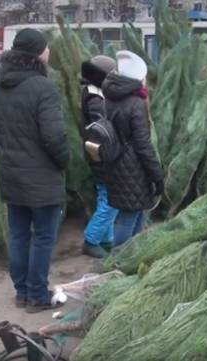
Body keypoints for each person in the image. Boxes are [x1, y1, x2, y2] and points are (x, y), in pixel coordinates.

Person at [0, 28, 69, 313]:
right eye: (46, 48)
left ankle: (21, 292)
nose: (49, 52)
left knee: (19, 234)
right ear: (37, 53)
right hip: (42, 176)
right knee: (44, 236)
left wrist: (12, 150)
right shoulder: (43, 88)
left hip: (11, 173)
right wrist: (63, 161)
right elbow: (53, 137)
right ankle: (37, 295)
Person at [101, 50, 164, 247]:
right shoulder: (136, 103)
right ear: (138, 78)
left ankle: (131, 257)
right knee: (128, 218)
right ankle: (118, 260)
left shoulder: (110, 98)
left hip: (116, 163)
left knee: (134, 213)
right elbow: (143, 145)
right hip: (133, 168)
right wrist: (157, 175)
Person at [80, 55, 119, 258]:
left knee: (107, 197)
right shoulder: (95, 97)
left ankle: (107, 240)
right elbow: (103, 127)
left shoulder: (95, 92)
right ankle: (91, 239)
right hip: (102, 155)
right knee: (111, 200)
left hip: (99, 153)